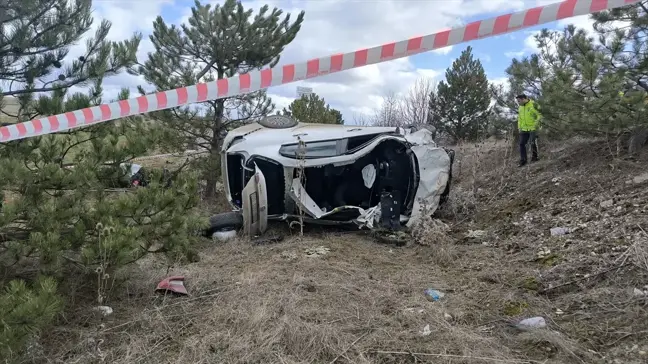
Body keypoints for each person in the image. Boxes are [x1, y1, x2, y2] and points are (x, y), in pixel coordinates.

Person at [515, 94, 541, 167]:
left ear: (524, 99)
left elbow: (539, 115)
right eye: (517, 101)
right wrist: (519, 127)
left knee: (532, 143)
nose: (518, 103)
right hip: (523, 129)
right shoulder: (520, 107)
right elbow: (519, 118)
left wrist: (536, 125)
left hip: (533, 128)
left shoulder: (533, 104)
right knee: (522, 144)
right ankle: (523, 161)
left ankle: (535, 158)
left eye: (519, 101)